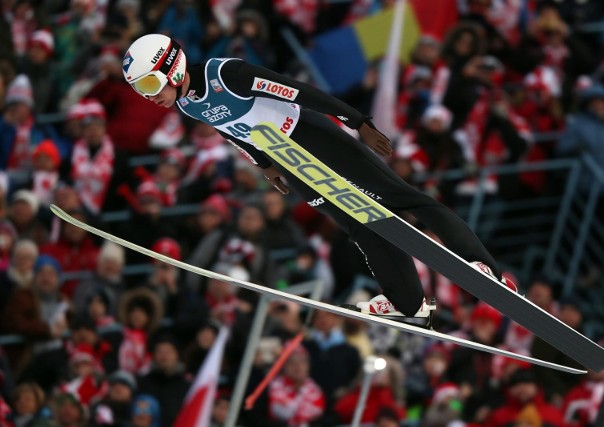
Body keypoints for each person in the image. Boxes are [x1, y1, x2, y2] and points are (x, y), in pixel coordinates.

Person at [122, 34, 516, 318]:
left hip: (310, 134)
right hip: (288, 158)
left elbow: (296, 90)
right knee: (360, 225)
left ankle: (483, 268)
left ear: (172, 68)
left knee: (400, 199)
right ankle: (409, 303)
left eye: (151, 83)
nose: (150, 95)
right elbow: (231, 129)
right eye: (141, 90)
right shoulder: (187, 104)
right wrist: (264, 164)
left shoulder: (226, 75)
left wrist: (356, 120)